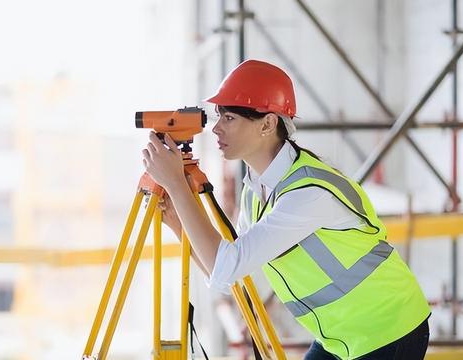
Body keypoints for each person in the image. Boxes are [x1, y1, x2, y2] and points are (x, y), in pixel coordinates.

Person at [141, 59, 431, 360]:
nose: (216, 129)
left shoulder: (307, 193)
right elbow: (232, 275)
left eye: (229, 118)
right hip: (339, 336)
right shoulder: (256, 193)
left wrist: (176, 184)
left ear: (267, 124)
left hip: (388, 330)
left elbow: (226, 265)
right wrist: (178, 223)